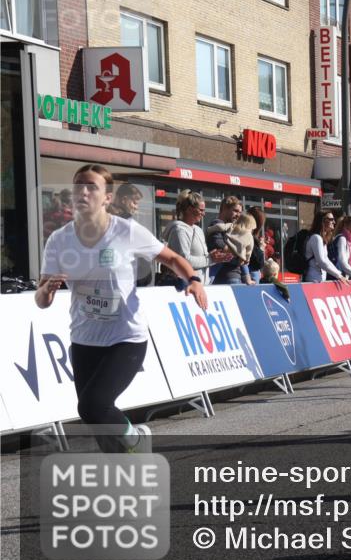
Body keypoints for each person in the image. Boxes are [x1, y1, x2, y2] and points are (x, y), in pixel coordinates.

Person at [35, 164, 208, 453]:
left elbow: (172, 258)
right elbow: (41, 300)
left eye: (91, 186)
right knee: (95, 417)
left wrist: (193, 279)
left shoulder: (126, 231)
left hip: (125, 338)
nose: (83, 191)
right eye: (78, 185)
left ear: (107, 197)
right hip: (84, 340)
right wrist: (47, 290)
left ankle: (137, 440)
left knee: (94, 405)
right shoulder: (59, 239)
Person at [161, 190, 225, 285]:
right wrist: (210, 259)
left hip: (201, 285)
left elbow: (203, 259)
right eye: (201, 210)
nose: (204, 214)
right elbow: (183, 261)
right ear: (189, 209)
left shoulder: (198, 230)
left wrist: (214, 257)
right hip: (185, 288)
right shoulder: (179, 230)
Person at [204, 213, 256, 285]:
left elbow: (221, 227)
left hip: (225, 251)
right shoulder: (250, 236)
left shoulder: (232, 225)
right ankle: (248, 280)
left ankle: (208, 281)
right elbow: (249, 250)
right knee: (243, 264)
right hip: (239, 255)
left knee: (215, 267)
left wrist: (210, 229)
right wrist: (247, 259)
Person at [303, 211, 348, 284]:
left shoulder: (321, 239)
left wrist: (339, 274)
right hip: (313, 280)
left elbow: (326, 260)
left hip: (319, 280)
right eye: (331, 219)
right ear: (322, 221)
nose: (334, 222)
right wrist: (338, 275)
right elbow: (321, 261)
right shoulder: (316, 238)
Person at [329, 215, 351, 279]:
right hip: (338, 277)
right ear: (345, 226)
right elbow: (343, 263)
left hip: (343, 276)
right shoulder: (342, 239)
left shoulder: (349, 241)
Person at [246, 207, 268, 284]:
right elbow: (259, 263)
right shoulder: (250, 237)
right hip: (252, 273)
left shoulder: (248, 236)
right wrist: (261, 248)